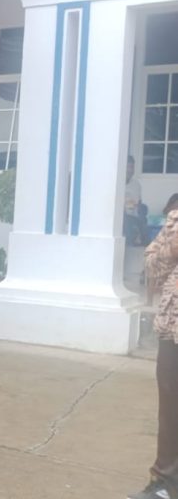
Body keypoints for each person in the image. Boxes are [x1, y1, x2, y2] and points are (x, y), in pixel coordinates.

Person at [136, 213, 178, 499]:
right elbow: (153, 267)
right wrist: (172, 247)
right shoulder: (176, 220)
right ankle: (165, 483)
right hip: (173, 327)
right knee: (171, 409)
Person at [126, 156, 149, 247]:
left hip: (134, 214)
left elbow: (139, 202)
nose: (130, 170)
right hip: (121, 216)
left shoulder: (136, 184)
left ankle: (145, 245)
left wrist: (139, 208)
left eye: (132, 167)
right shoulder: (117, 183)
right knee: (126, 219)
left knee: (144, 211)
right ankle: (130, 243)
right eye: (128, 167)